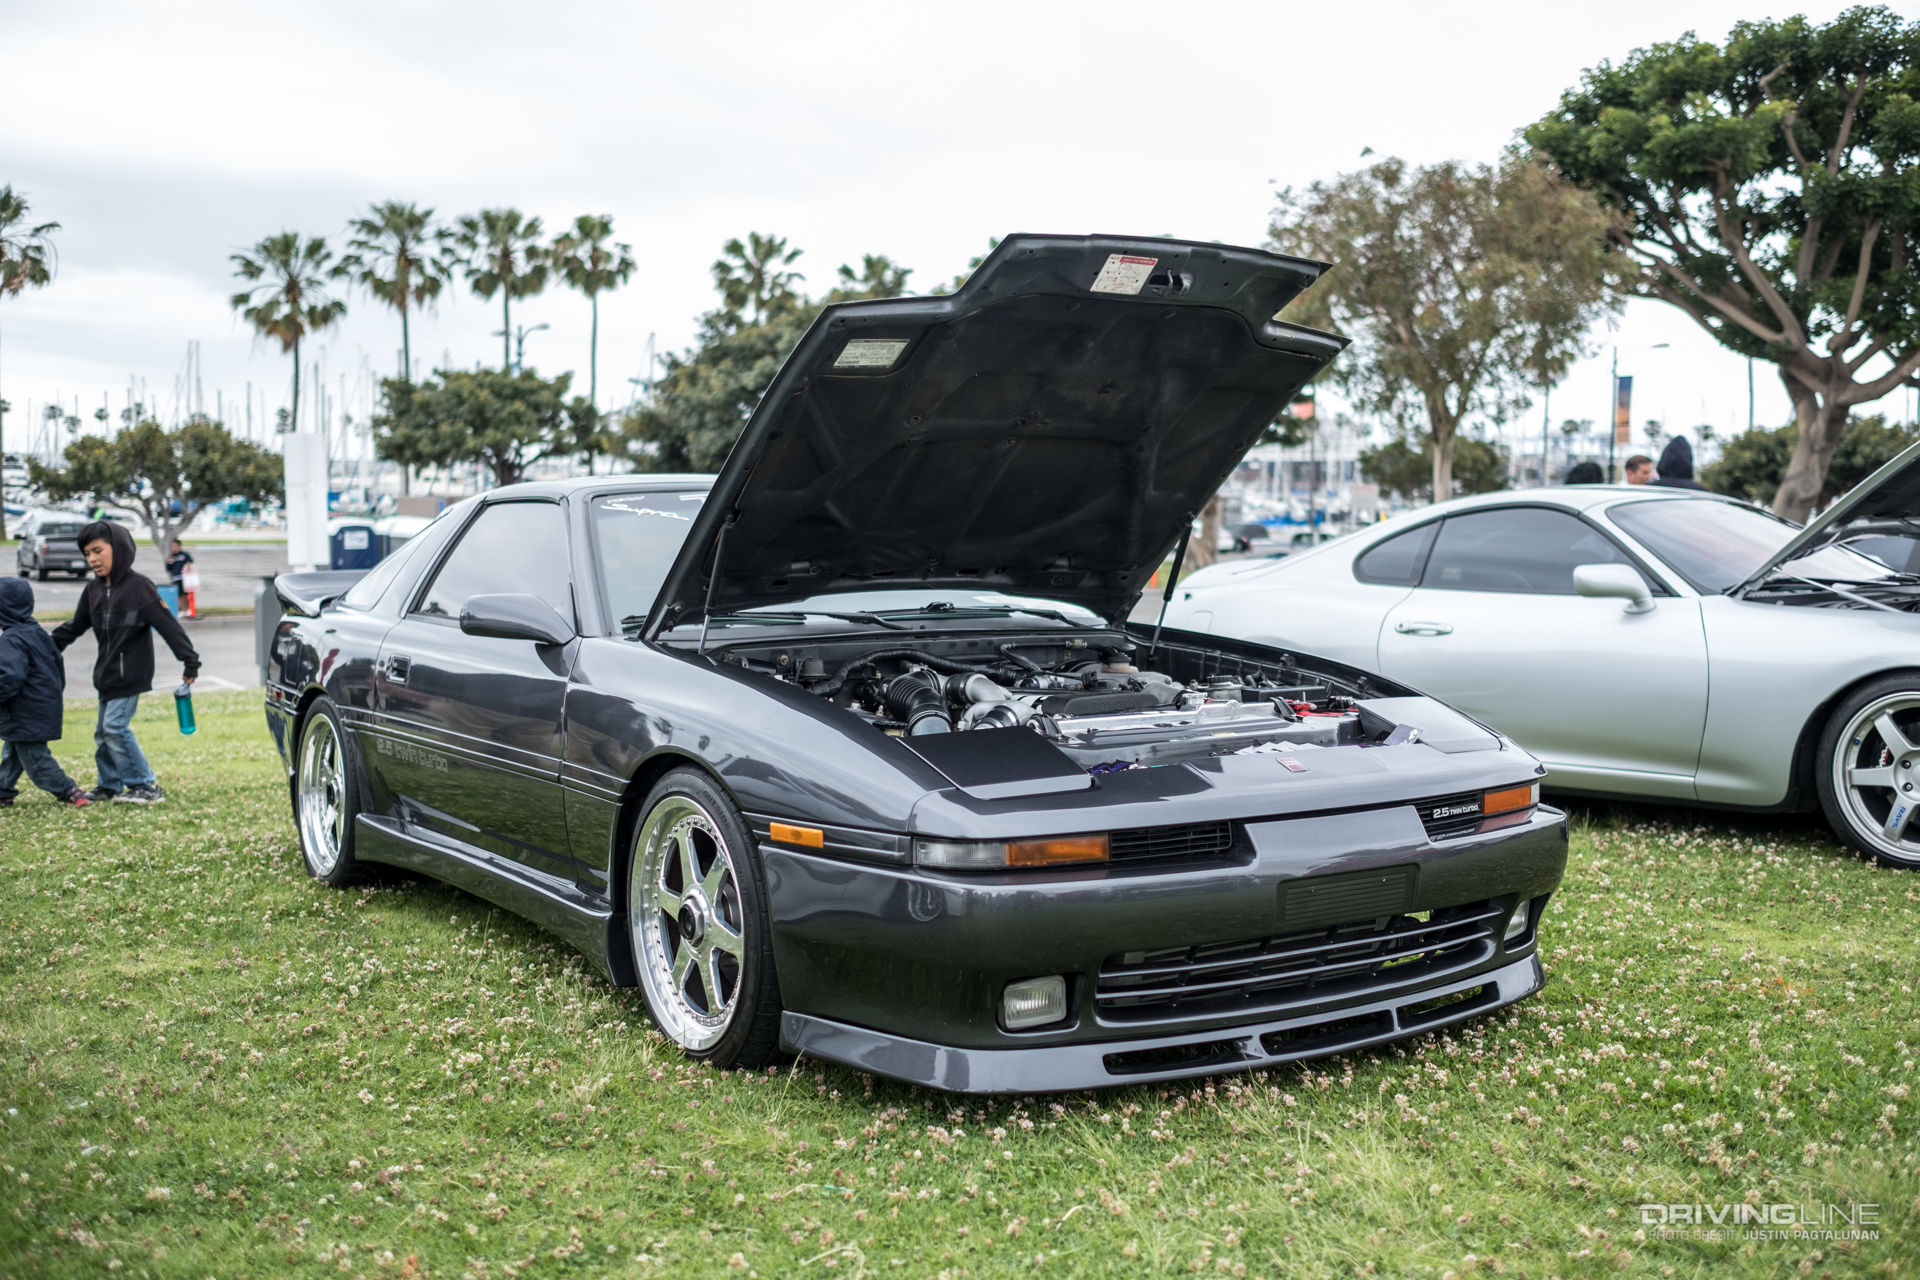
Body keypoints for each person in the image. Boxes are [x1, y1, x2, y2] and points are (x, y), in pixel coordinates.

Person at [50, 520, 199, 804]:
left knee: (115, 727)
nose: (92, 559)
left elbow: (169, 627)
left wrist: (189, 661)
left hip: (130, 673)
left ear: (117, 549)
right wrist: (44, 648)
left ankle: (146, 786)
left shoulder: (139, 587)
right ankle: (110, 785)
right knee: (102, 732)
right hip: (105, 675)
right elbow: (74, 627)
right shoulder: (92, 591)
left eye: (97, 550)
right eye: (87, 554)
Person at [0, 578, 90, 808]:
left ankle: (69, 791)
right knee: (13, 752)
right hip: (41, 706)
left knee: (35, 759)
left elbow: (9, 677)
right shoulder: (38, 633)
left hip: (23, 710)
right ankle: (2, 790)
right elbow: (57, 667)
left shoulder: (11, 639)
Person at [166, 538, 198, 619]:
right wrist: (168, 562)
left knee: (185, 594)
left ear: (179, 545)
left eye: (175, 545)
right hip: (175, 578)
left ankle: (188, 609)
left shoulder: (184, 555)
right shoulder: (172, 557)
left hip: (184, 578)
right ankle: (183, 610)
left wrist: (187, 565)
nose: (174, 547)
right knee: (179, 595)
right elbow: (168, 568)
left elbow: (190, 561)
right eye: (172, 546)